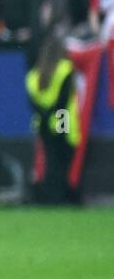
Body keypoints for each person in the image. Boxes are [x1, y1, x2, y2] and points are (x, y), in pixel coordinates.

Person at [25, 34, 82, 204]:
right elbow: (63, 101)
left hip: (42, 123)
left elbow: (32, 102)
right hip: (61, 119)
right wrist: (55, 116)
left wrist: (44, 113)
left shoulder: (34, 75)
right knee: (63, 160)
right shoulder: (64, 69)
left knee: (50, 159)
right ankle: (61, 195)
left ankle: (50, 194)